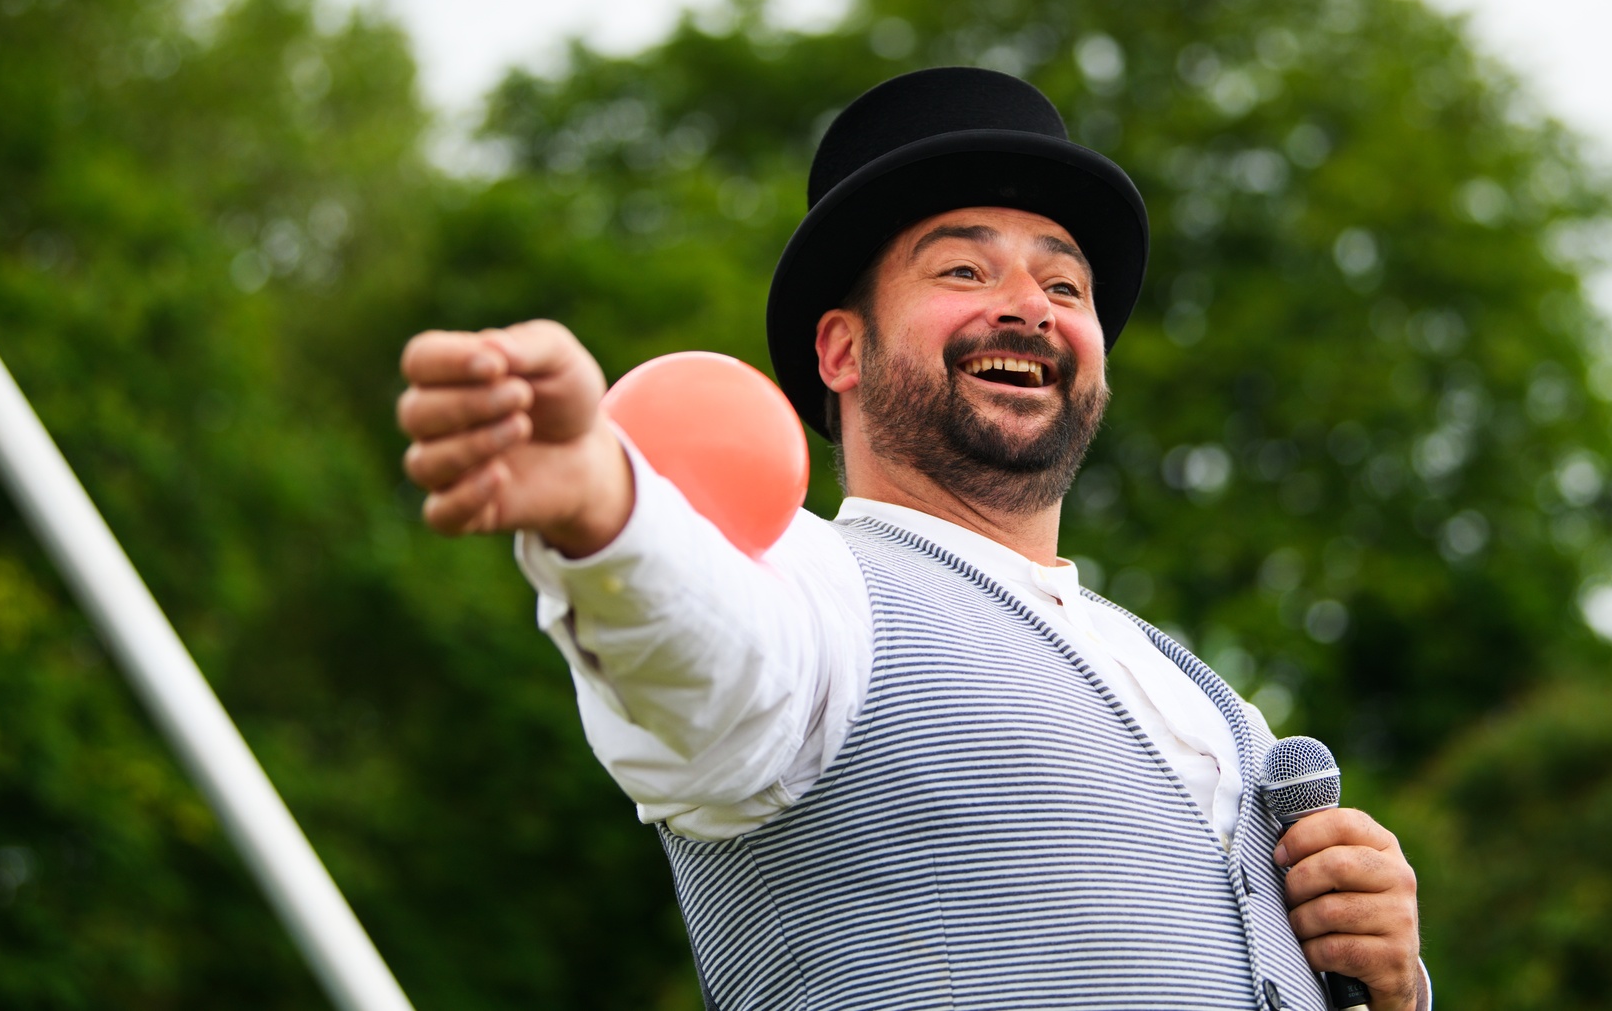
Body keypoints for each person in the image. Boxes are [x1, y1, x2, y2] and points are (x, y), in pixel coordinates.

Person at [397, 67, 1428, 1011]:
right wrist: (604, 509)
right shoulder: (816, 596)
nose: (1029, 308)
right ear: (842, 350)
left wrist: (1395, 991)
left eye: (1064, 286)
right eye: (965, 270)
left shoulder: (1218, 706)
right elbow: (709, 646)